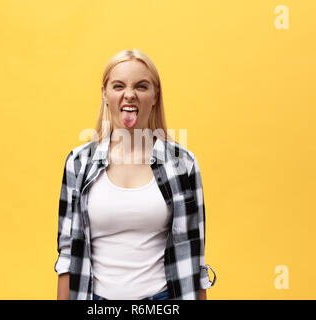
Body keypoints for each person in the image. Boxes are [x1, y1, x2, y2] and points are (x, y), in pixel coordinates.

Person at [55, 49, 216, 300]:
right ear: (105, 95)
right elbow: (67, 256)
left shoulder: (183, 164)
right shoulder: (78, 163)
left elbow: (194, 257)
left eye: (141, 86)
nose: (129, 94)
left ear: (155, 96)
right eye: (118, 86)